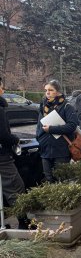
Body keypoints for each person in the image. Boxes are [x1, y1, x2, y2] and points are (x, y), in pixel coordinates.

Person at [0, 78, 32, 229]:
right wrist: (16, 139)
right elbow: (3, 135)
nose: (3, 90)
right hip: (2, 156)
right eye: (1, 87)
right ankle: (23, 223)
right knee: (15, 187)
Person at [36, 80, 79, 183]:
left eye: (51, 90)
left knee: (62, 179)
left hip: (61, 150)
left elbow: (72, 126)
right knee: (48, 179)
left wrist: (51, 129)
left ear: (58, 92)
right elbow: (39, 125)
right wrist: (39, 138)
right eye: (46, 90)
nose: (47, 93)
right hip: (45, 149)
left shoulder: (66, 106)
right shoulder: (43, 106)